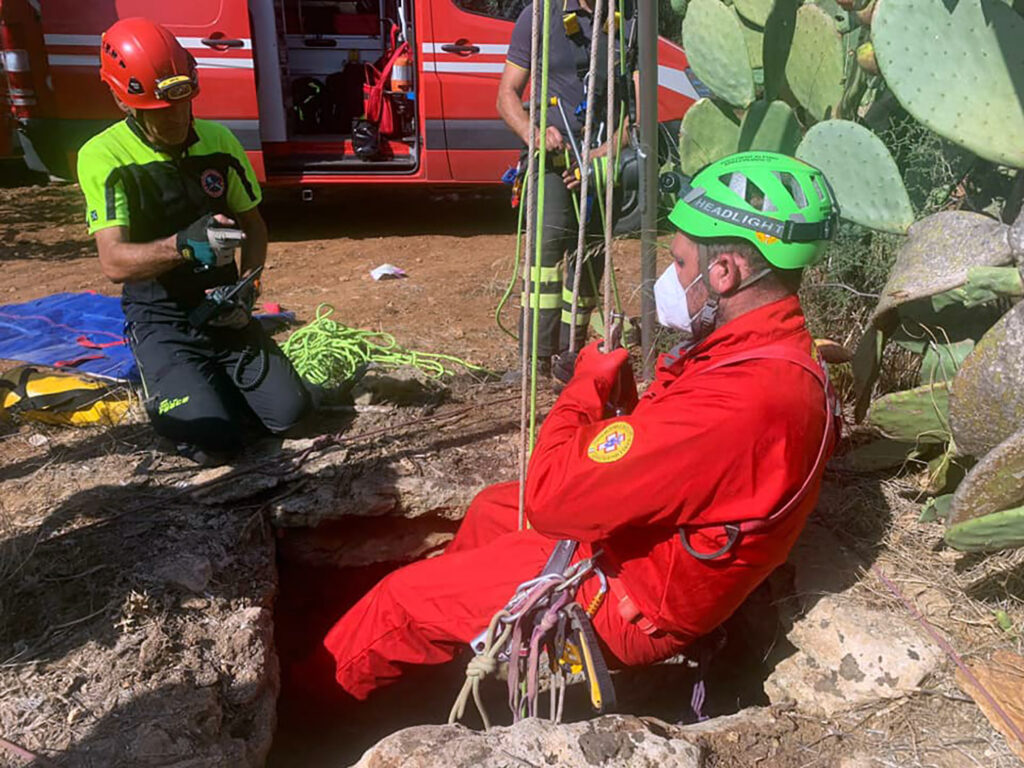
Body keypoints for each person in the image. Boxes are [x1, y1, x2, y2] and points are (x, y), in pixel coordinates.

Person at [322, 151, 842, 701]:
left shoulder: (741, 398)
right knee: (491, 510)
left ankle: (323, 708)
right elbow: (684, 455)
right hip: (643, 553)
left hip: (623, 599)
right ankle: (464, 635)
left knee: (396, 603)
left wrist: (586, 387)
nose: (672, 276)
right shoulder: (771, 353)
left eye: (681, 262)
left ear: (725, 272)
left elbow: (551, 499)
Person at [76, 17, 311, 465]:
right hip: (160, 317)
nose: (178, 119)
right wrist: (182, 244)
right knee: (213, 442)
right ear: (123, 101)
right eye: (162, 112)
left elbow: (254, 226)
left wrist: (248, 290)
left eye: (184, 106)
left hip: (222, 309)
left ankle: (215, 384)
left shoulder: (219, 142)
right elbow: (114, 263)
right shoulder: (103, 156)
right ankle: (177, 384)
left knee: (293, 416)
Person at [496, 0, 627, 375]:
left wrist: (601, 156)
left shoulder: (626, 22)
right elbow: (506, 95)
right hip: (551, 158)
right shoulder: (539, 15)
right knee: (545, 255)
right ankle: (534, 359)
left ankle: (570, 357)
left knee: (589, 262)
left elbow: (634, 112)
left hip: (601, 162)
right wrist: (532, 134)